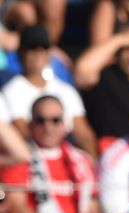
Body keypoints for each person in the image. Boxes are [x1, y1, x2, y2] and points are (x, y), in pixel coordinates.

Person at [0, 95, 100, 213]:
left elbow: (93, 208)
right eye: (41, 120)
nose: (48, 127)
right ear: (30, 125)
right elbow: (16, 208)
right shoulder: (19, 159)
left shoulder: (82, 161)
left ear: (65, 125)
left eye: (55, 120)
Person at [1, 24, 98, 158]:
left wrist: (92, 164)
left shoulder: (67, 90)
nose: (38, 53)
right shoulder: (10, 91)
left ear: (49, 53)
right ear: (20, 53)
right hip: (34, 162)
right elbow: (23, 133)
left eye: (44, 48)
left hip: (68, 160)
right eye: (32, 48)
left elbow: (84, 135)